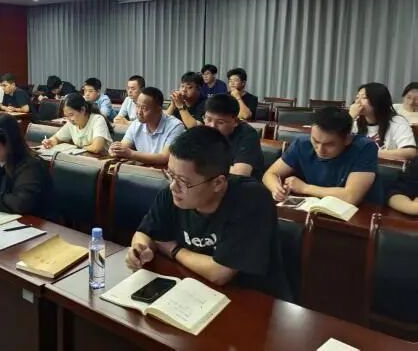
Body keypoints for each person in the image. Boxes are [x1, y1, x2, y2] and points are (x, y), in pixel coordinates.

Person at [126, 126, 289, 299]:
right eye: (170, 175)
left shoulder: (252, 200)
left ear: (218, 183)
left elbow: (219, 273)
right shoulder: (173, 192)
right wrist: (141, 249)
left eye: (183, 181)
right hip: (192, 289)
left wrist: (173, 250)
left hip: (251, 299)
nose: (173, 186)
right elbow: (145, 233)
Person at [263, 107, 380, 205]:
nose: (320, 149)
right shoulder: (302, 143)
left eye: (329, 144)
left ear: (347, 139)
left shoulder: (365, 148)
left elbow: (351, 197)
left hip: (357, 215)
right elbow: (270, 174)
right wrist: (276, 189)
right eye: (315, 141)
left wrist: (304, 188)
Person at [110, 87, 184, 166]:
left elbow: (164, 158)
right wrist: (115, 149)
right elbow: (124, 145)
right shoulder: (136, 124)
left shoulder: (175, 126)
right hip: (143, 169)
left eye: (144, 108)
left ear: (159, 109)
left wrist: (130, 153)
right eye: (137, 106)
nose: (139, 112)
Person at [350, 83, 417, 161]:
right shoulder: (355, 121)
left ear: (378, 100)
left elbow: (410, 152)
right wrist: (350, 117)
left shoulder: (397, 122)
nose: (357, 102)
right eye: (357, 97)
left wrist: (371, 152)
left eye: (364, 97)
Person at [203, 94, 265, 179]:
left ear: (236, 121)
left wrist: (203, 167)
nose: (212, 126)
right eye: (209, 120)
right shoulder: (204, 132)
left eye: (220, 122)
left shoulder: (248, 134)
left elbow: (240, 174)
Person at [42, 93, 112, 155]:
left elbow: (96, 147)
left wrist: (77, 149)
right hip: (83, 160)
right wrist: (50, 142)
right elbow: (56, 138)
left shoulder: (97, 119)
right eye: (66, 116)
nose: (69, 119)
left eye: (71, 115)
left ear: (82, 110)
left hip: (103, 161)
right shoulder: (71, 123)